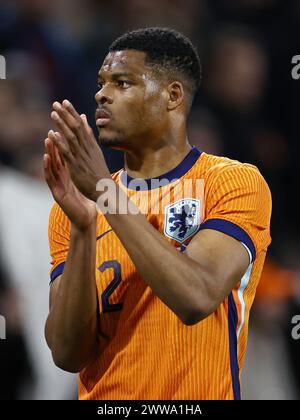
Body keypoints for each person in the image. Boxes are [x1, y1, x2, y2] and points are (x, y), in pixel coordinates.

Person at [44, 27, 272, 400]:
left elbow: (196, 297)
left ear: (172, 95)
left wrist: (107, 194)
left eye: (122, 83)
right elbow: (68, 353)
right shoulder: (77, 207)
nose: (101, 94)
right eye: (101, 83)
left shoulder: (232, 182)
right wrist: (84, 228)